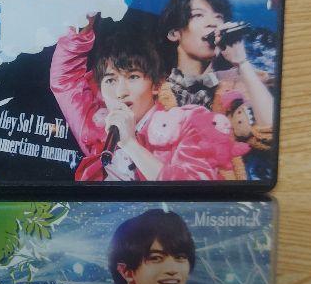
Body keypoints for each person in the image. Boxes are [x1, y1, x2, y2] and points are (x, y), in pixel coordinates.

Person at [49, 17, 242, 182]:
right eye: (110, 80)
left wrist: (130, 143)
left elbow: (193, 193)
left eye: (133, 77)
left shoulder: (187, 124)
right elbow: (65, 80)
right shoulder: (97, 124)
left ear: (157, 84)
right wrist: (82, 24)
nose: (120, 92)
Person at [155, 0, 274, 131]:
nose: (212, 23)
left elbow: (271, 130)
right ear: (174, 33)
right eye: (198, 15)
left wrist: (242, 62)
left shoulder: (238, 83)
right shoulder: (155, 89)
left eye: (218, 16)